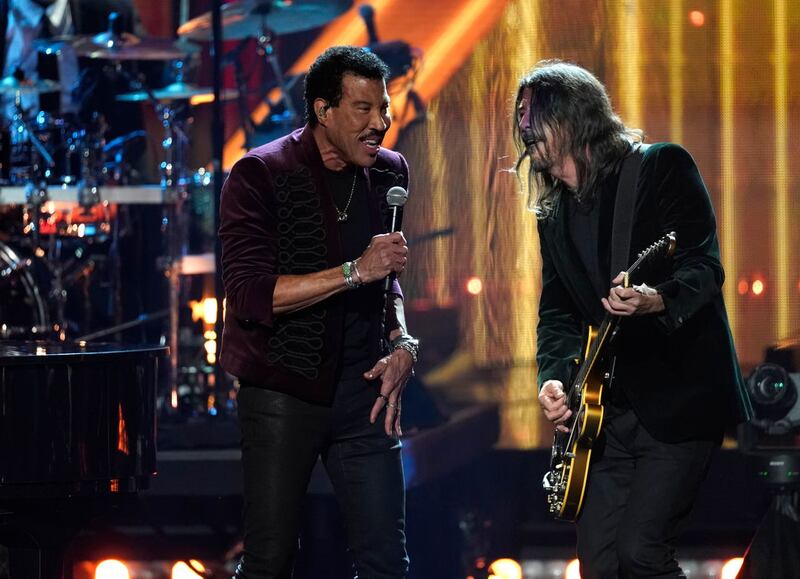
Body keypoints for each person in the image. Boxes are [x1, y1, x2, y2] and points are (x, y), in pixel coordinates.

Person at [514, 60, 752, 578]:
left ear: (573, 119)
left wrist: (657, 299)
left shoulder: (662, 167)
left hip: (679, 400)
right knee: (598, 563)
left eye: (534, 115)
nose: (523, 126)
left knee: (641, 553)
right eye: (521, 116)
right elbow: (556, 310)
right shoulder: (554, 214)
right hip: (603, 415)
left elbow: (704, 268)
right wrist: (553, 377)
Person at [219, 45, 417, 579]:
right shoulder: (260, 173)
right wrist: (355, 270)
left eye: (384, 109)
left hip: (366, 394)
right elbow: (250, 295)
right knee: (270, 560)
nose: (379, 124)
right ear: (323, 110)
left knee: (386, 563)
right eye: (363, 109)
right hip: (284, 390)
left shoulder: (388, 173)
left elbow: (389, 278)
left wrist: (403, 343)